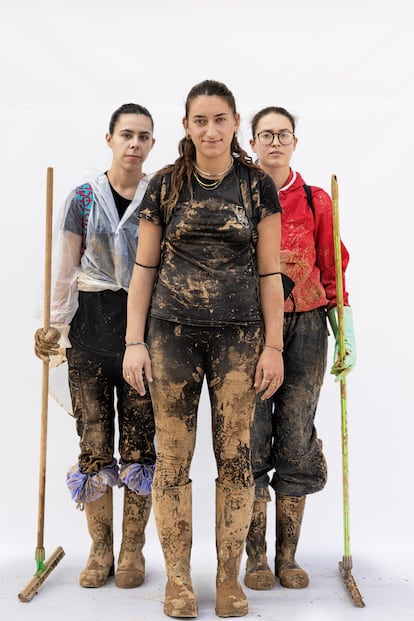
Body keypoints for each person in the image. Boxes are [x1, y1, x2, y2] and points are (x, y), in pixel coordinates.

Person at [122, 80, 285, 618]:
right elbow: (143, 269)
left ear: (236, 122)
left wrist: (275, 347)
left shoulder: (258, 185)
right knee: (173, 460)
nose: (210, 130)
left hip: (241, 340)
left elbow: (270, 272)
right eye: (200, 120)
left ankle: (228, 579)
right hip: (172, 337)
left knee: (236, 459)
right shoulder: (166, 185)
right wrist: (134, 342)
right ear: (186, 127)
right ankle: (177, 581)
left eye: (220, 119)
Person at [34, 103, 157, 589]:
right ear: (109, 138)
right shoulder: (83, 199)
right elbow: (65, 267)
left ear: (152, 144)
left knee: (140, 444)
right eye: (126, 134)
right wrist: (55, 325)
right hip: (89, 330)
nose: (134, 143)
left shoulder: (158, 197)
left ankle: (132, 551)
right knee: (94, 443)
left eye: (143, 136)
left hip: (141, 335)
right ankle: (100, 548)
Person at [243, 106, 356, 592]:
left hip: (306, 327)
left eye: (282, 134)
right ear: (251, 142)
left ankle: (287, 556)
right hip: (248, 329)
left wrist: (346, 330)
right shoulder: (238, 193)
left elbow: (334, 266)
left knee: (295, 433)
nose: (274, 142)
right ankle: (255, 558)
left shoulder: (316, 200)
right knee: (248, 436)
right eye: (265, 134)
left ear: (294, 141)